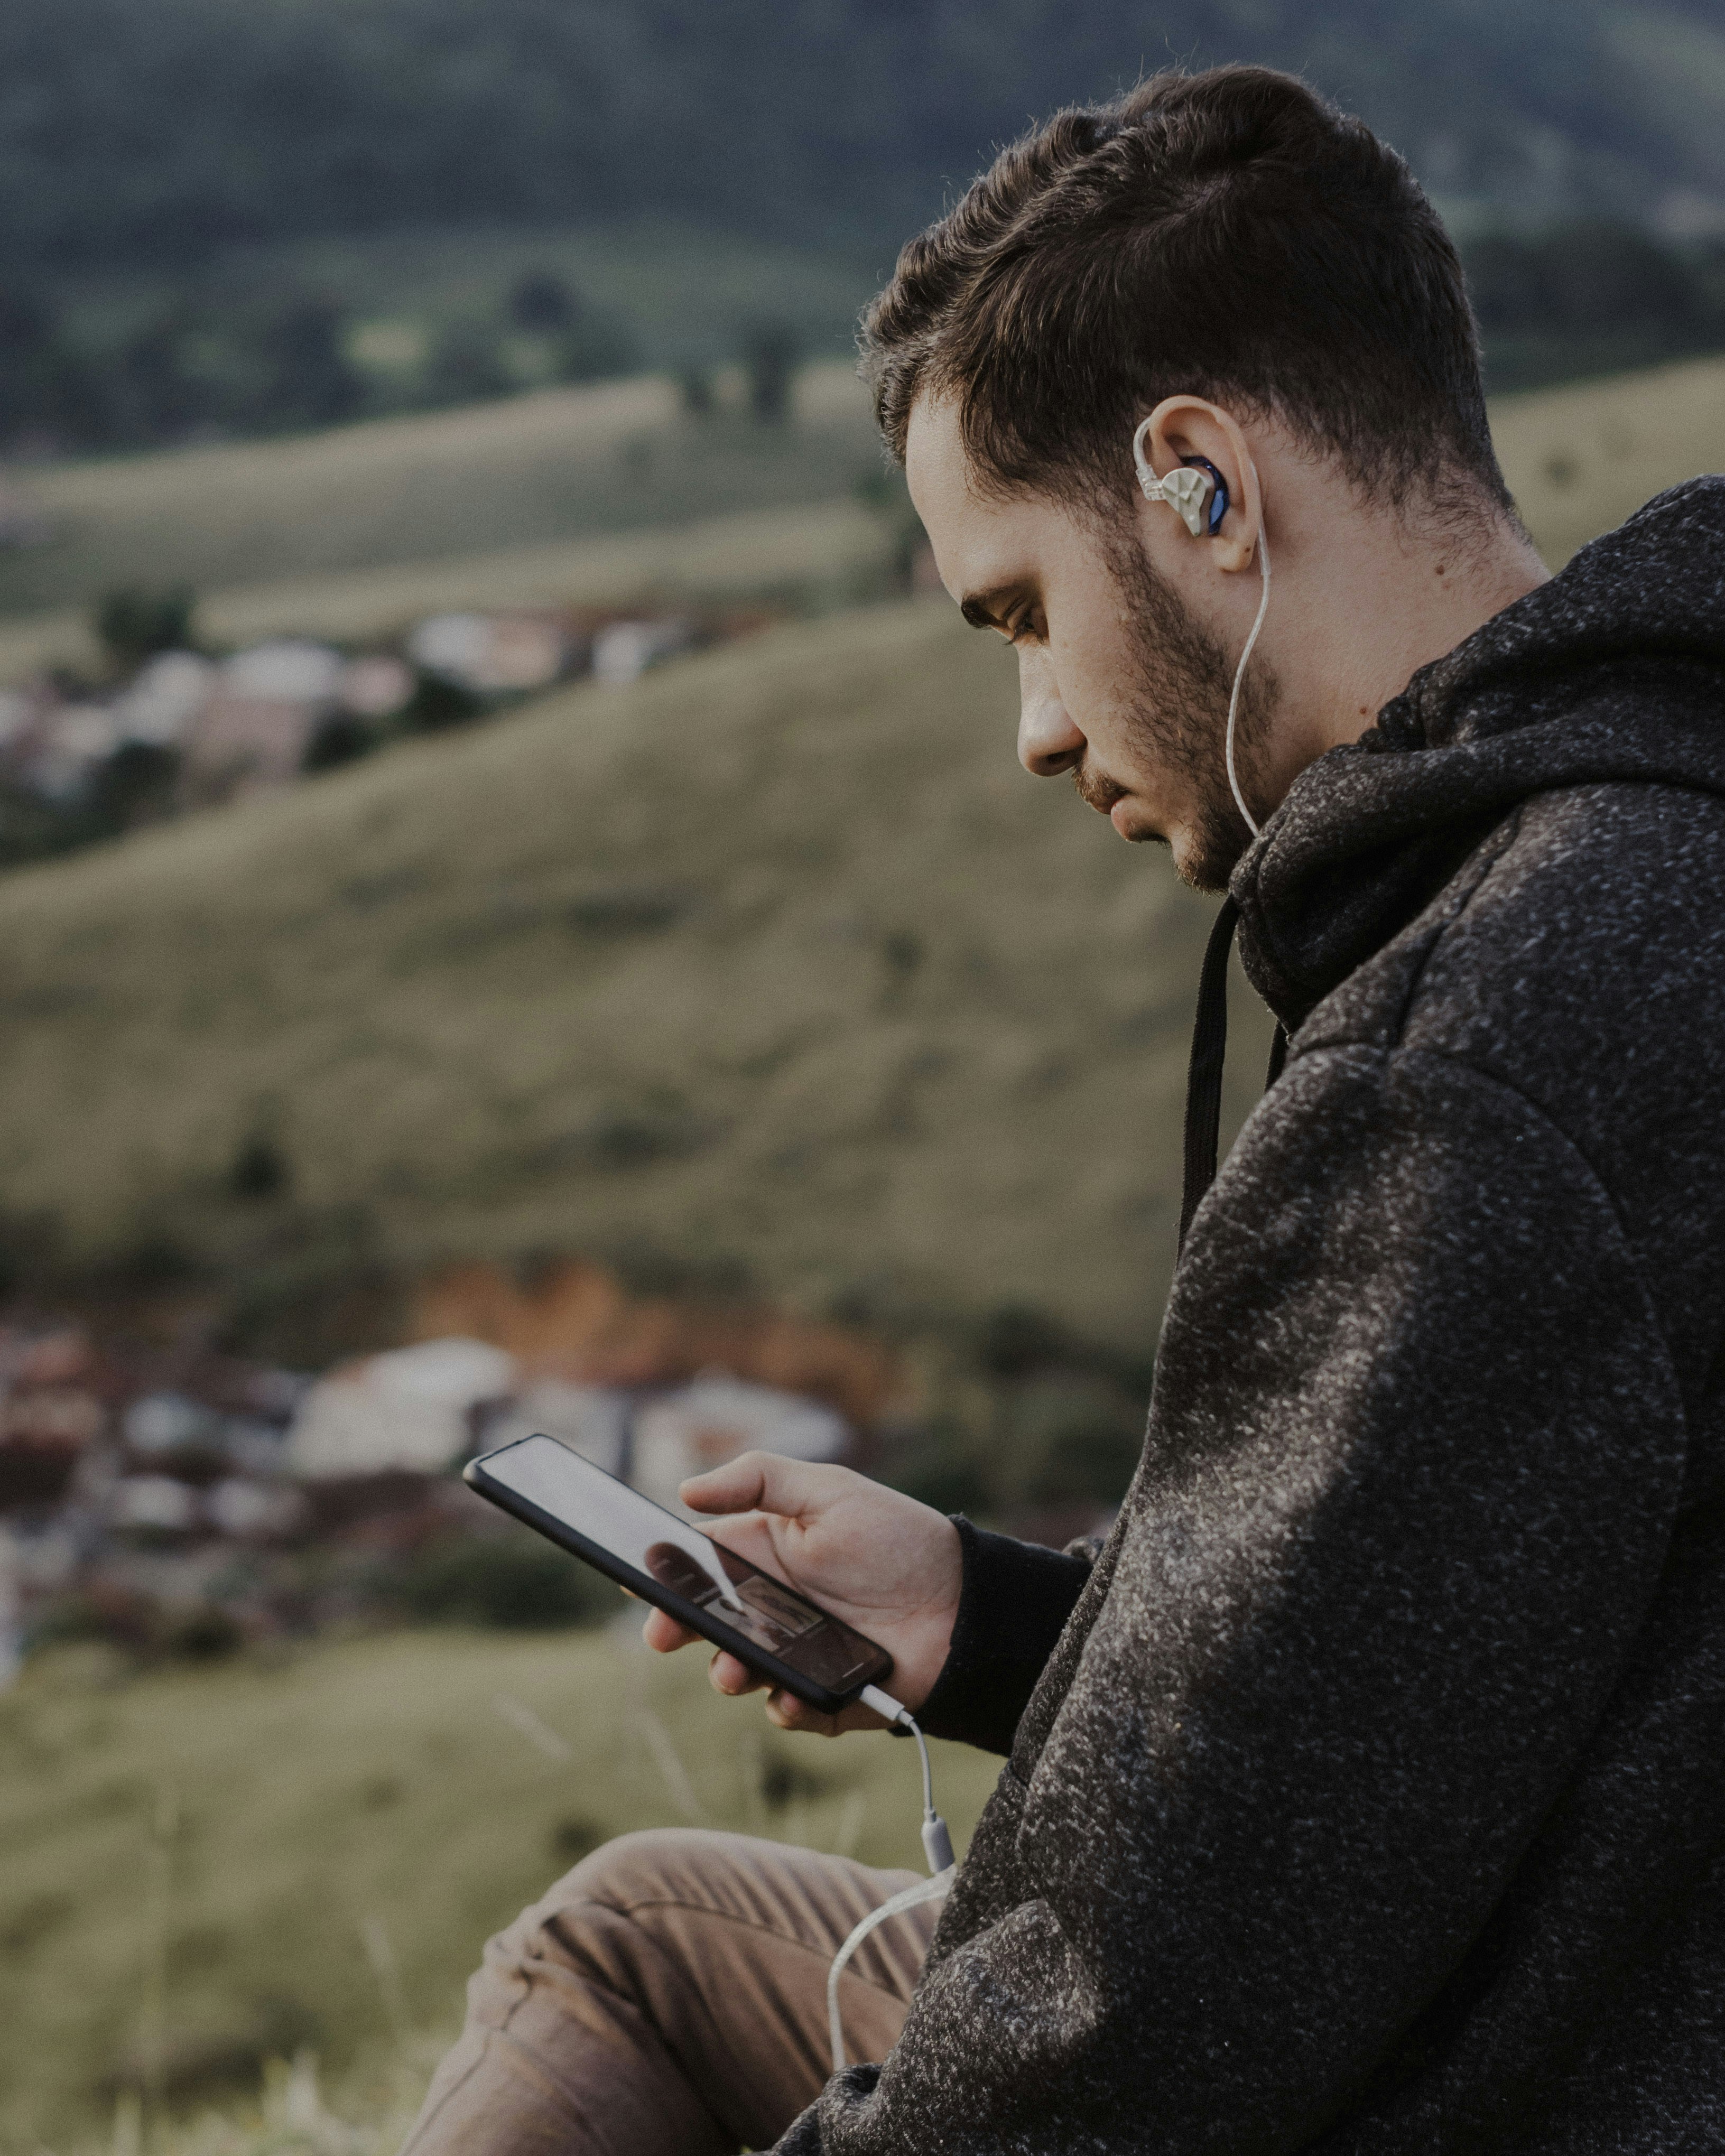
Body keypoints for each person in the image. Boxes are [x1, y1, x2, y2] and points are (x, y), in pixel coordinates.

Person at [403, 63, 1725, 2154]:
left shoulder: (1475, 1068)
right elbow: (1432, 1661)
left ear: (1199, 487)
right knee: (654, 1922)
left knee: (640, 1972)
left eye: (1019, 610)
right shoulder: (1663, 857)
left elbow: (1130, 2039)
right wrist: (1001, 1620)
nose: (1032, 728)